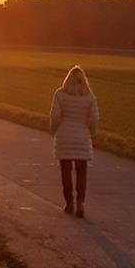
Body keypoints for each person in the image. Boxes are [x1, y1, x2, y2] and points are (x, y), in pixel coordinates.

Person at [50, 65, 99, 217]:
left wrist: (54, 130)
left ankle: (69, 202)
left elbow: (55, 116)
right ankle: (80, 203)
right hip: (82, 138)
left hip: (64, 137)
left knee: (66, 171)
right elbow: (94, 119)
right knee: (81, 172)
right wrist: (92, 133)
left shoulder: (60, 94)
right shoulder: (89, 96)